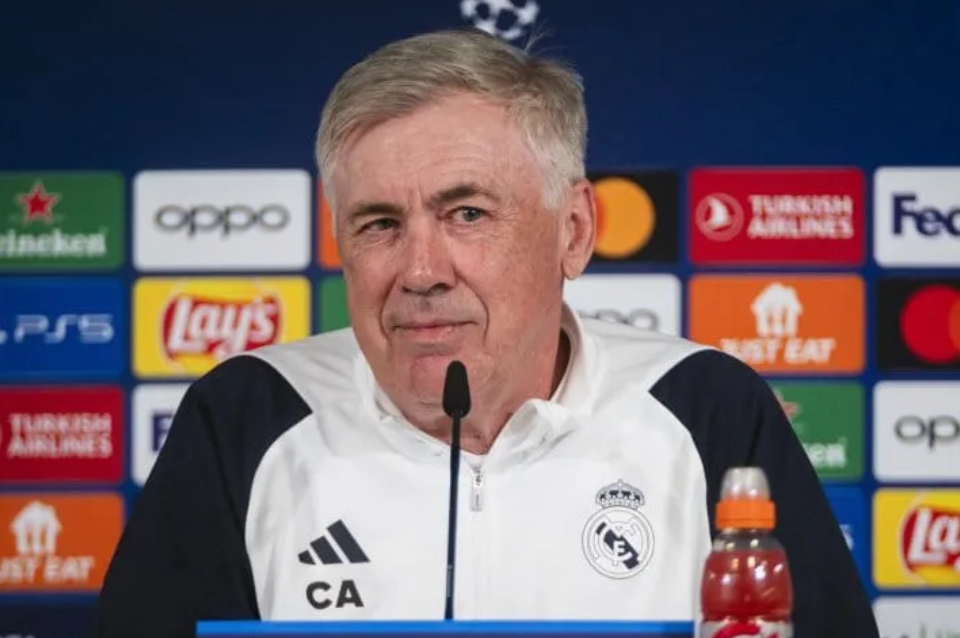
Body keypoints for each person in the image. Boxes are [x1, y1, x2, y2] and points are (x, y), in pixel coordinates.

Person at [92, 28, 879, 637]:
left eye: (467, 213)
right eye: (379, 223)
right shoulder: (246, 418)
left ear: (573, 231)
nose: (420, 270)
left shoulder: (707, 409)